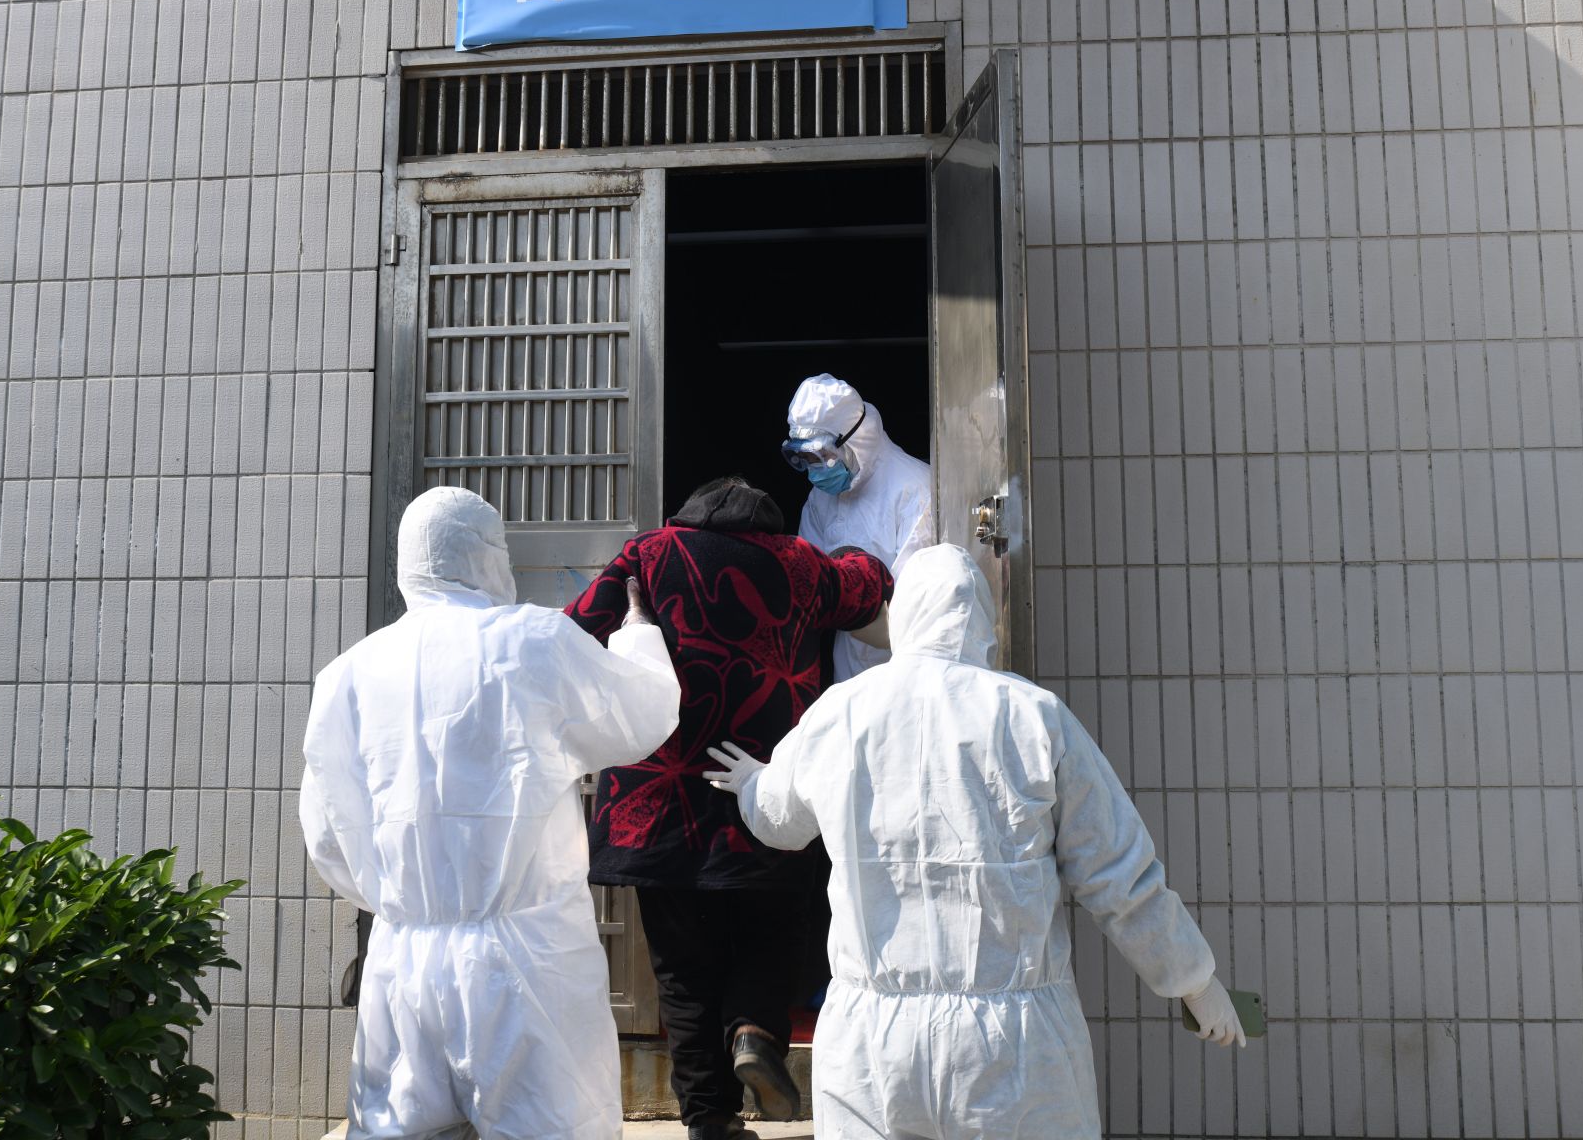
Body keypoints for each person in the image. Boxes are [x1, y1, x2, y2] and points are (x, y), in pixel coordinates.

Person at [704, 544, 1246, 1140]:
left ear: (903, 615)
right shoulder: (1034, 716)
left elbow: (779, 821)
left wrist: (752, 784)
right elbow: (1119, 874)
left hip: (871, 1047)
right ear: (981, 621)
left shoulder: (845, 711)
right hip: (1016, 1047)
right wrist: (1194, 981)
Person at [300, 487, 682, 1140]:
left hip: (403, 958)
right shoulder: (533, 640)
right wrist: (639, 636)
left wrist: (406, 903)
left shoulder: (348, 675)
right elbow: (641, 714)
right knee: (552, 1128)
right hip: (525, 958)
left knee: (400, 1129)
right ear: (483, 553)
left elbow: (327, 834)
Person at [566, 477, 893, 1140]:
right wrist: (855, 553)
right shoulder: (801, 563)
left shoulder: (650, 553)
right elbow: (869, 586)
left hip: (659, 799)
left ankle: (710, 1120)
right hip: (763, 783)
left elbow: (575, 629)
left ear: (687, 516)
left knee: (682, 971)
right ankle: (754, 1029)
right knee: (774, 928)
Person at [781, 374, 934, 680]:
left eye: (821, 456)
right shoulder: (821, 499)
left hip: (908, 672)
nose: (814, 470)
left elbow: (915, 604)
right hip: (849, 674)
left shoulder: (915, 488)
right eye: (805, 459)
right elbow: (808, 579)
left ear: (853, 441)